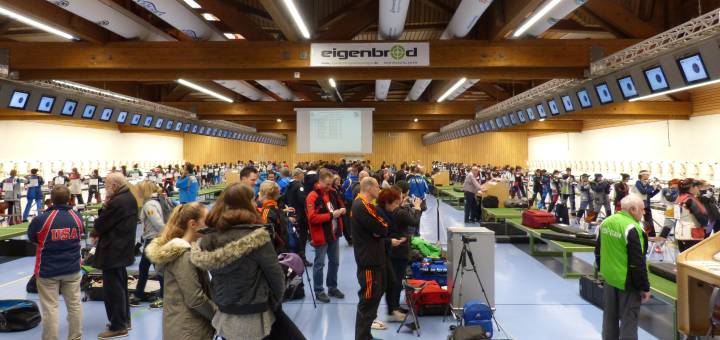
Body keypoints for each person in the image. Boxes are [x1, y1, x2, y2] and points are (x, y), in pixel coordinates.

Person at [190, 183, 285, 340]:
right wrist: (272, 303)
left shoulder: (208, 238)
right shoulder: (258, 237)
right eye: (253, 200)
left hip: (224, 311)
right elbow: (277, 279)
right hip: (256, 313)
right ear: (246, 205)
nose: (256, 204)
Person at [146, 202, 217, 340]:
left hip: (182, 324)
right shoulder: (184, 255)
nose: (209, 225)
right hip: (188, 330)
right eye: (206, 220)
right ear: (193, 224)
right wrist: (218, 316)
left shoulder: (186, 250)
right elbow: (195, 299)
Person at [27, 185, 84, 340]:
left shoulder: (41, 219)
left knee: (50, 309)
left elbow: (33, 238)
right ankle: (75, 337)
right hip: (72, 269)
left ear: (50, 200)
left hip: (47, 271)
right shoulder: (78, 217)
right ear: (70, 199)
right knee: (75, 306)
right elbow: (81, 234)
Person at [595, 195, 651, 340]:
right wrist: (644, 287)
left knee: (609, 318)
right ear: (632, 209)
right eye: (642, 210)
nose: (643, 213)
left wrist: (603, 272)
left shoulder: (606, 222)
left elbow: (598, 251)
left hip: (609, 279)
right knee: (629, 321)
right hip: (627, 283)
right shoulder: (633, 228)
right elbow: (638, 262)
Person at [93, 173, 138, 339]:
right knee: (121, 286)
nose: (104, 187)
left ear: (114, 185)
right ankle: (124, 321)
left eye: (106, 184)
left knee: (113, 290)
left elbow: (101, 223)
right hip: (122, 248)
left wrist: (104, 207)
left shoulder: (117, 202)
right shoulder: (128, 197)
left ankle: (118, 326)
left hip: (113, 250)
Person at [352, 177, 389, 340]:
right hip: (368, 262)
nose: (379, 190)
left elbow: (380, 229)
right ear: (369, 188)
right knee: (368, 301)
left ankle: (365, 335)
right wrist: (380, 231)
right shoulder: (361, 206)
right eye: (377, 187)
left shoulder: (365, 205)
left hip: (373, 258)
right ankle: (362, 337)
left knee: (375, 297)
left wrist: (379, 231)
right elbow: (382, 227)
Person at [306, 169, 346, 304]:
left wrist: (342, 210)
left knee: (335, 262)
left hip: (333, 234)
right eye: (327, 184)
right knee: (319, 264)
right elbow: (312, 218)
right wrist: (331, 215)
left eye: (331, 184)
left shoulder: (332, 193)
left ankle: (332, 287)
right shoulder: (312, 196)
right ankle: (319, 290)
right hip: (321, 235)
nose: (330, 187)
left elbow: (338, 206)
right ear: (320, 181)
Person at [375, 187, 411, 323]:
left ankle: (393, 310)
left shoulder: (388, 213)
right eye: (395, 203)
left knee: (392, 282)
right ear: (387, 202)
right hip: (377, 254)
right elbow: (375, 237)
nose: (397, 206)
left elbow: (391, 231)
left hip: (386, 251)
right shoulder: (378, 213)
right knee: (379, 287)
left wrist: (401, 238)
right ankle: (372, 317)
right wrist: (390, 241)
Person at [130, 181, 165, 308]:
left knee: (159, 270)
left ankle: (163, 297)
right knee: (144, 268)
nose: (137, 192)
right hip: (151, 240)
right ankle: (138, 294)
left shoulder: (149, 205)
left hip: (154, 241)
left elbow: (159, 224)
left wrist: (163, 239)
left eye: (139, 190)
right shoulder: (154, 202)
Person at [285, 168, 311, 266]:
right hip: (300, 216)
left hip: (291, 214)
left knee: (294, 238)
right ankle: (302, 259)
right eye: (302, 174)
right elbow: (303, 200)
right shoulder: (299, 185)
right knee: (302, 238)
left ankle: (295, 259)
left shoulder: (289, 185)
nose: (304, 176)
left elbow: (285, 198)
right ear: (298, 175)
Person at [675, 178, 709, 252]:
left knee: (683, 257)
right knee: (693, 258)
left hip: (680, 232)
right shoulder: (691, 199)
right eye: (697, 187)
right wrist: (705, 225)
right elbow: (700, 216)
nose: (698, 189)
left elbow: (676, 216)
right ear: (692, 187)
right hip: (692, 233)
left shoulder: (679, 198)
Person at [259, 180, 290, 253]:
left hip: (273, 251)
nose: (258, 193)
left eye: (260, 192)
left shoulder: (266, 212)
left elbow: (266, 236)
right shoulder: (276, 208)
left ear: (264, 195)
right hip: (282, 248)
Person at [632, 171, 661, 236]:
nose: (648, 176)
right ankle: (635, 233)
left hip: (647, 204)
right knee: (637, 219)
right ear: (642, 175)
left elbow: (650, 195)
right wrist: (652, 187)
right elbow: (643, 191)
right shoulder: (638, 182)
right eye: (647, 174)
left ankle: (652, 235)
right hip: (639, 204)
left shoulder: (647, 184)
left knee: (649, 221)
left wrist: (657, 190)